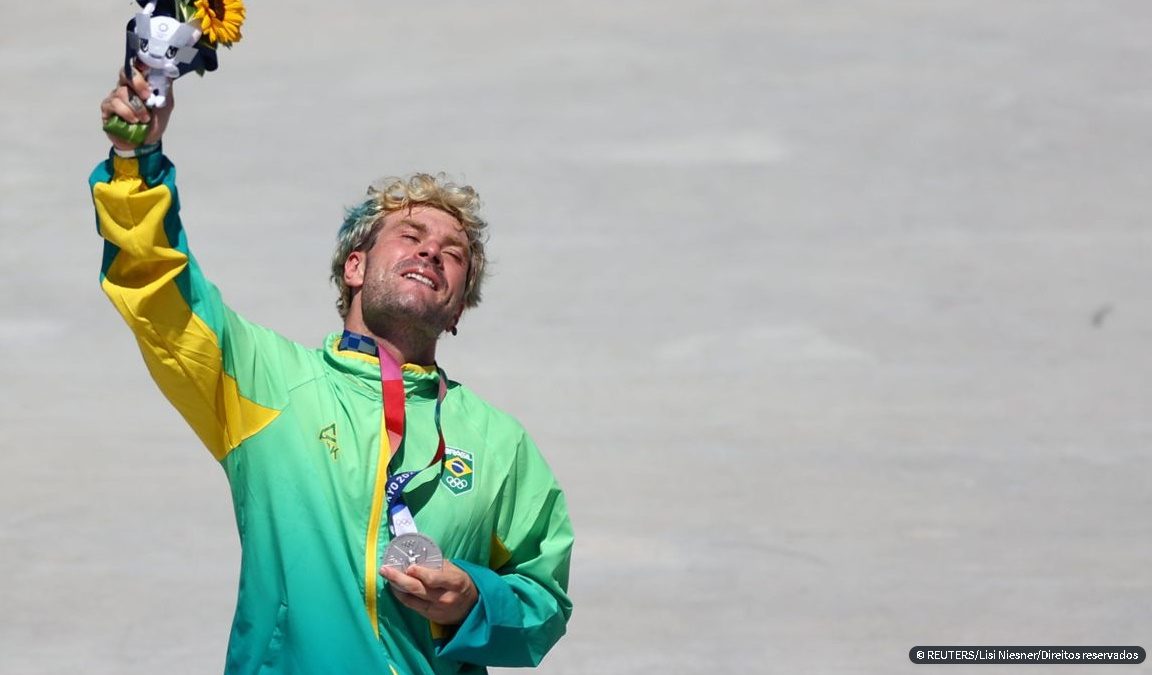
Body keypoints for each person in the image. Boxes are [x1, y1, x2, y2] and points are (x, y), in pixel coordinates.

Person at [91, 65, 574, 674]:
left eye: (455, 256)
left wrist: (476, 599)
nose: (432, 252)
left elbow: (545, 602)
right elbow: (158, 285)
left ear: (456, 310)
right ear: (354, 268)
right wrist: (136, 162)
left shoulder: (500, 444)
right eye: (411, 236)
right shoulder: (266, 382)